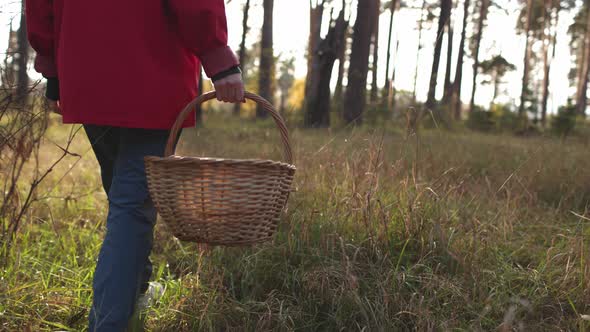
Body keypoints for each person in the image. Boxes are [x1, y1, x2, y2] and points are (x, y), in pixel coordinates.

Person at [25, 0, 245, 330]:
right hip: (151, 68)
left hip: (84, 64)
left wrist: (52, 66)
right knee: (131, 203)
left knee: (124, 191)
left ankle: (136, 290)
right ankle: (110, 323)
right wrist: (219, 60)